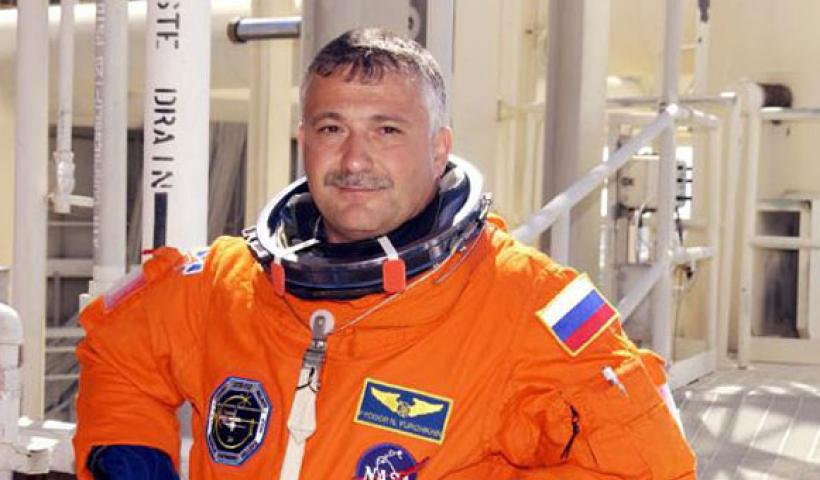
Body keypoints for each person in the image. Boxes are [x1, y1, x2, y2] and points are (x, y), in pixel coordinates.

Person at [74, 28, 696, 479]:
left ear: (439, 147)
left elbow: (650, 465)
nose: (354, 160)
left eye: (387, 130)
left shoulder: (524, 304)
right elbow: (121, 353)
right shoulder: (227, 282)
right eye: (332, 128)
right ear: (304, 140)